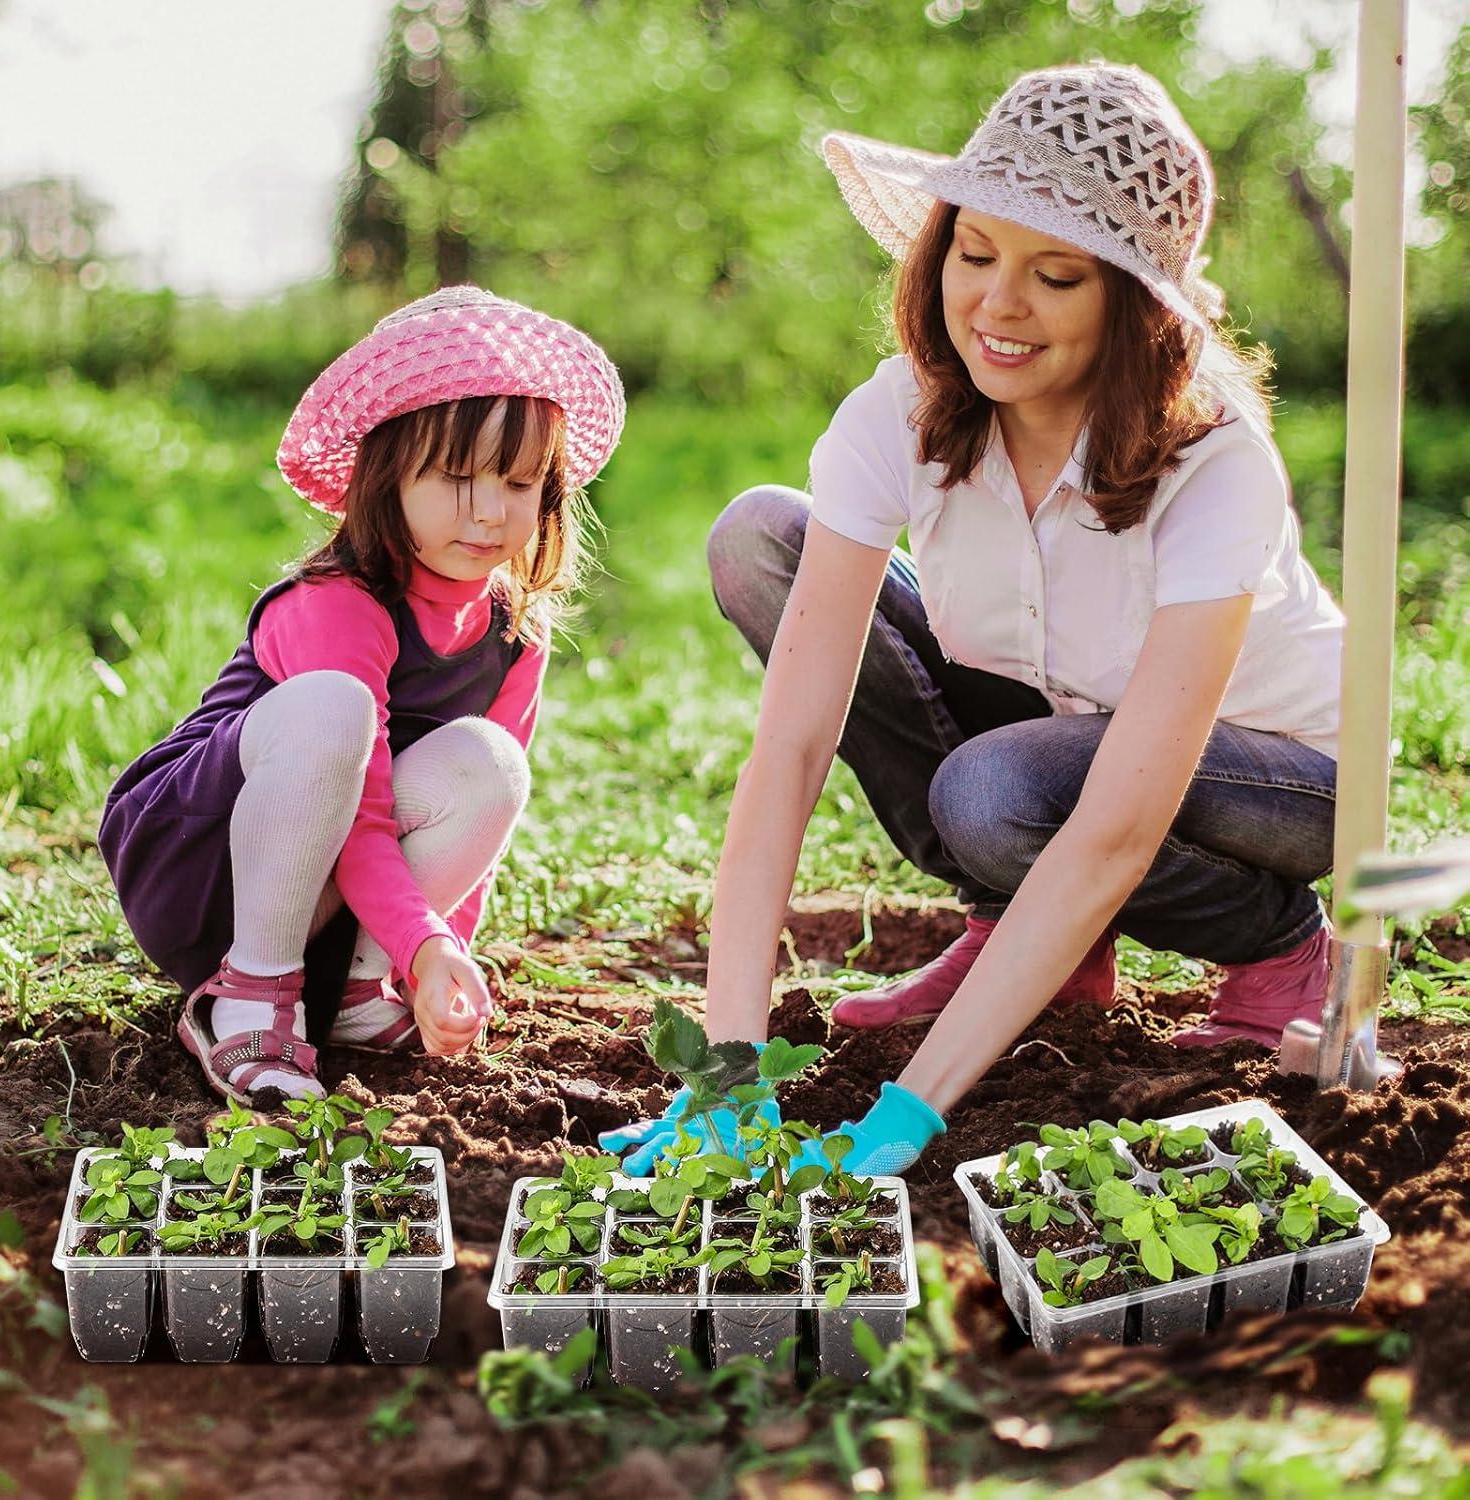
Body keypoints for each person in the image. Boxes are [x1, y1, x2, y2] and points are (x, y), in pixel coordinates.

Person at [601, 63, 1341, 1178]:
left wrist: (909, 1111)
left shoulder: (1214, 465)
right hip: (1064, 719)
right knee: (765, 538)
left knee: (999, 795)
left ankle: (1282, 947)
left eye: (1057, 276)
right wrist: (726, 1068)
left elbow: (1116, 828)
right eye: (975, 254)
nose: (998, 305)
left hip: (1282, 776)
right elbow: (792, 743)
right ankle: (1033, 936)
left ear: (1132, 305)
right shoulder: (899, 411)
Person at [99, 286, 624, 1106]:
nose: (490, 512)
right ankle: (246, 999)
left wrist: (436, 956)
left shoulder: (514, 631)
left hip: (329, 894)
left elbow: (476, 824)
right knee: (334, 709)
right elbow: (366, 812)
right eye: (457, 477)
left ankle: (351, 998)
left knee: (491, 763)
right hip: (201, 869)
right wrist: (422, 940)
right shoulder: (339, 602)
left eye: (520, 484)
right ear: (386, 475)